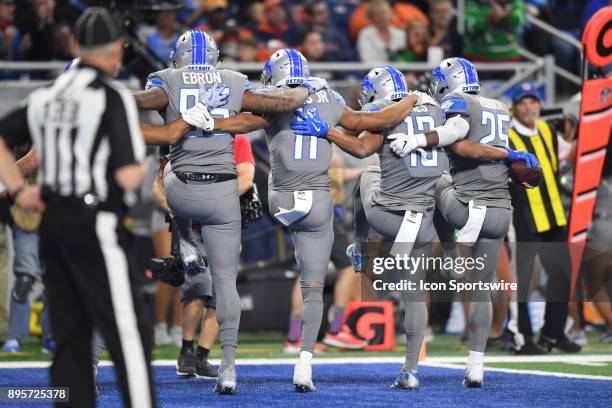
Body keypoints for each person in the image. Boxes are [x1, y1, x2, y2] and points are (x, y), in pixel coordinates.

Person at [203, 50, 429, 391]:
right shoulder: (332, 98)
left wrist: (211, 120)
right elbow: (374, 124)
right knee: (313, 287)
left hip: (281, 200)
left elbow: (245, 123)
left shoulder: (273, 100)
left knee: (227, 272)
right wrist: (412, 97)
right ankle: (304, 366)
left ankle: (228, 366)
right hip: (320, 202)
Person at [131, 30, 328, 395]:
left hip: (181, 189)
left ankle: (185, 244)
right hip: (222, 190)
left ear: (179, 57)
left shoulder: (168, 80)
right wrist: (303, 89)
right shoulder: (233, 81)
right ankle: (228, 368)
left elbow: (137, 101)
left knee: (167, 170)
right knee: (225, 283)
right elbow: (280, 106)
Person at [0, 7, 155, 408]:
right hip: (96, 221)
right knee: (128, 331)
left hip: (52, 222)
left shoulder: (45, 97)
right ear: (115, 50)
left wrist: (18, 191)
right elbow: (128, 176)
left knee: (69, 337)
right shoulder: (112, 97)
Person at [387, 57, 538, 387]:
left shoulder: (460, 102)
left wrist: (416, 140)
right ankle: (475, 366)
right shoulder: (498, 105)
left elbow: (460, 137)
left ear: (447, 81)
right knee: (481, 289)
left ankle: (452, 254)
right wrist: (508, 153)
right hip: (501, 212)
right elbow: (491, 147)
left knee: (437, 181)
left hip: (469, 208)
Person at [506, 82, 581, 354]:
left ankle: (553, 333)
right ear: (514, 107)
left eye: (533, 101)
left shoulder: (549, 130)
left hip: (553, 214)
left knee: (562, 273)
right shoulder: (506, 136)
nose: (529, 106)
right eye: (523, 102)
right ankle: (521, 337)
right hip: (522, 217)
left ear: (539, 104)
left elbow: (569, 156)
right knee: (522, 280)